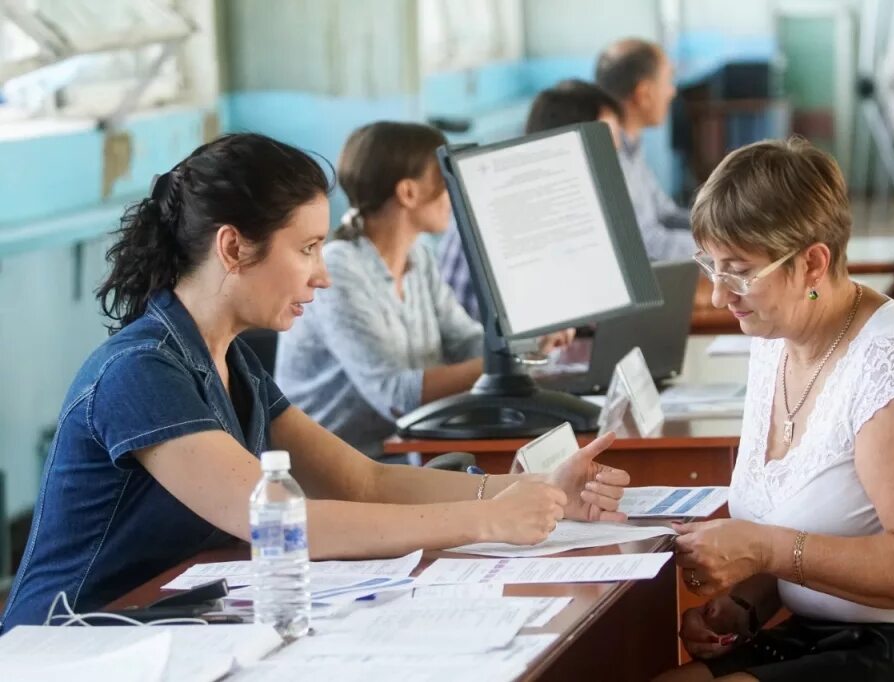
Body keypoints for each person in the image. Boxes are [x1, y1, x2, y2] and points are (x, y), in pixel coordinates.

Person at [0, 133, 630, 632]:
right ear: (233, 247)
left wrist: (526, 490)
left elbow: (365, 479)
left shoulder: (232, 362)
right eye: (306, 249)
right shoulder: (141, 371)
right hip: (74, 648)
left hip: (168, 631)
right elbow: (287, 523)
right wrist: (489, 520)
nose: (321, 276)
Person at [653, 137, 894, 682]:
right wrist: (747, 603)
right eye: (711, 266)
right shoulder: (775, 340)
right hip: (832, 628)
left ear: (812, 263)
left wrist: (764, 550)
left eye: (738, 271)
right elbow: (808, 519)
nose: (718, 295)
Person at [275, 122, 573, 456]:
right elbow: (395, 397)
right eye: (442, 180)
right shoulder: (341, 271)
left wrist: (527, 339)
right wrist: (511, 358)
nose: (451, 193)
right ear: (408, 192)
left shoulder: (419, 257)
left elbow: (464, 342)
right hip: (334, 466)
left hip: (404, 453)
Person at [437, 79, 627, 320]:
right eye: (607, 150)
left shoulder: (566, 204)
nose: (615, 166)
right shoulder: (509, 210)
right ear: (568, 143)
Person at [595, 37, 697, 262]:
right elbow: (648, 244)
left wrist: (727, 231)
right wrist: (724, 251)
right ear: (644, 93)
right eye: (668, 80)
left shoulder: (632, 145)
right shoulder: (609, 158)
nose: (672, 92)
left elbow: (666, 213)